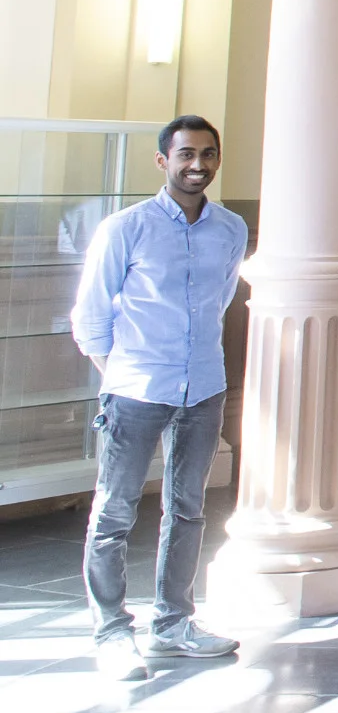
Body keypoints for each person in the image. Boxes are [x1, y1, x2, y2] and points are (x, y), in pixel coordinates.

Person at [70, 116, 249, 680]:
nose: (198, 165)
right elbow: (90, 318)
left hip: (203, 388)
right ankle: (111, 632)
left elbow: (219, 302)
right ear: (163, 161)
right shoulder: (127, 228)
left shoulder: (231, 229)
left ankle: (172, 624)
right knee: (114, 512)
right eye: (187, 154)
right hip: (135, 390)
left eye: (209, 154)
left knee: (188, 509)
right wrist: (120, 374)